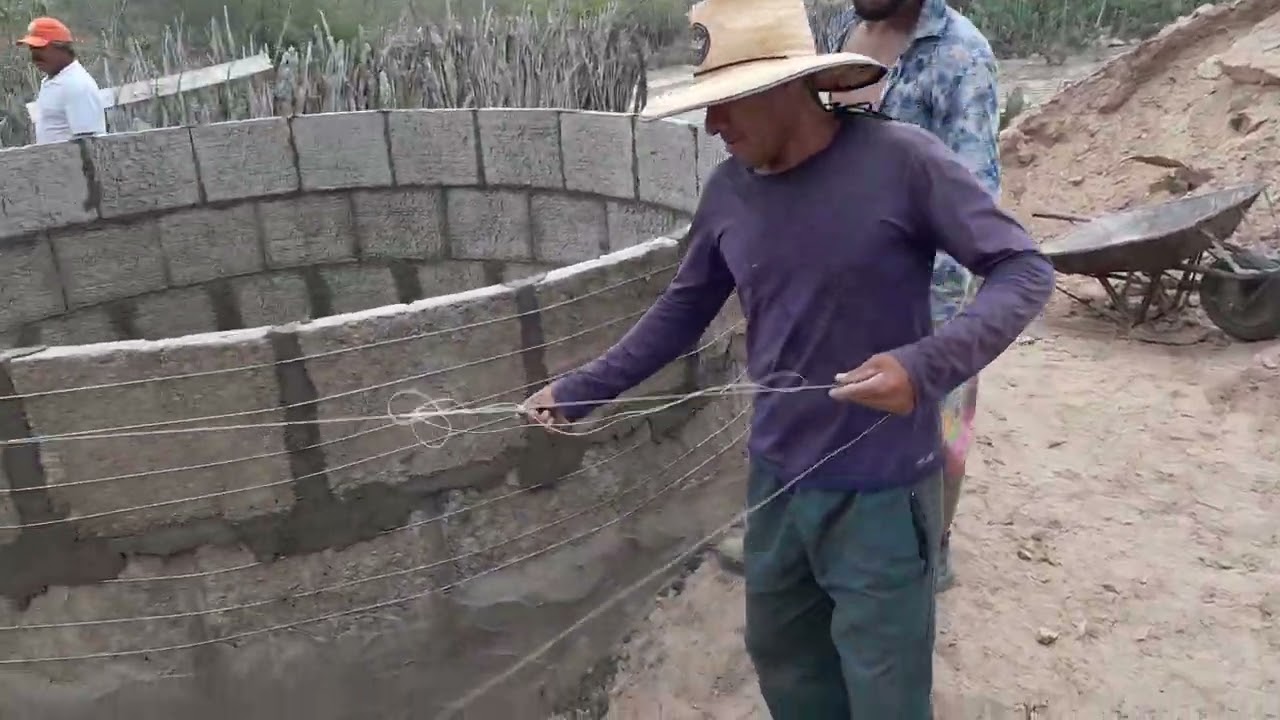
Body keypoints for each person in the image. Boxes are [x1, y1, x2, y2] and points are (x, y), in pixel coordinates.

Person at [524, 0, 1052, 715]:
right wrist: (581, 390)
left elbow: (1022, 269)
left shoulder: (902, 163)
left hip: (882, 493)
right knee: (787, 664)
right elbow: (680, 314)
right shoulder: (728, 195)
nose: (712, 126)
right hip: (775, 482)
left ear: (786, 86)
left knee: (886, 691)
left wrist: (925, 366)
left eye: (725, 104)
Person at [17, 17, 107, 145]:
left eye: (40, 49)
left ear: (61, 48)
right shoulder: (51, 81)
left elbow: (89, 143)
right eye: (32, 49)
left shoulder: (76, 84)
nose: (34, 57)